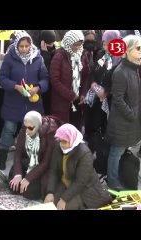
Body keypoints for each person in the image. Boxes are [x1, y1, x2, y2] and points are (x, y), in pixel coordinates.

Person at [0, 31, 49, 170]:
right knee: (9, 128)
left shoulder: (38, 58)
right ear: (16, 45)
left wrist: (38, 87)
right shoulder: (9, 58)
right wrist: (15, 87)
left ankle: (26, 157)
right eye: (21, 46)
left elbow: (45, 79)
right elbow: (2, 79)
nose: (24, 49)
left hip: (33, 103)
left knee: (29, 131)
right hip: (13, 101)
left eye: (27, 46)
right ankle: (2, 156)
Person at [44, 123, 112, 210]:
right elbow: (54, 170)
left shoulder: (85, 153)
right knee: (50, 203)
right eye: (59, 140)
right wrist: (50, 191)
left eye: (64, 141)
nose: (61, 144)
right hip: (65, 183)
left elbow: (81, 181)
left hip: (84, 189)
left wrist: (64, 198)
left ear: (72, 139)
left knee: (65, 207)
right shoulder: (58, 146)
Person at [106, 34, 141, 191]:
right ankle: (113, 182)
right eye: (138, 48)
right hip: (122, 121)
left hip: (131, 120)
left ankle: (123, 176)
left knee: (123, 150)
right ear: (127, 50)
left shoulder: (134, 67)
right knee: (116, 152)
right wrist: (132, 114)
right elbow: (118, 99)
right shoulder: (121, 71)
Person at [9, 111, 62, 200]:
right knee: (14, 186)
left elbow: (46, 162)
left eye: (30, 128)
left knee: (29, 192)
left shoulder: (49, 133)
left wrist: (28, 178)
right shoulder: (25, 129)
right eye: (25, 127)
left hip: (43, 169)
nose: (27, 130)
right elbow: (18, 154)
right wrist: (18, 175)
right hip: (28, 163)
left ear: (38, 126)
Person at [50, 30, 89, 131]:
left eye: (80, 45)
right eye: (75, 45)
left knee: (76, 131)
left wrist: (83, 94)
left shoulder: (83, 55)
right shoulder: (59, 56)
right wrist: (70, 95)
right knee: (62, 132)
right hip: (62, 103)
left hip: (78, 102)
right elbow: (54, 80)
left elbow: (85, 77)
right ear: (68, 43)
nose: (77, 47)